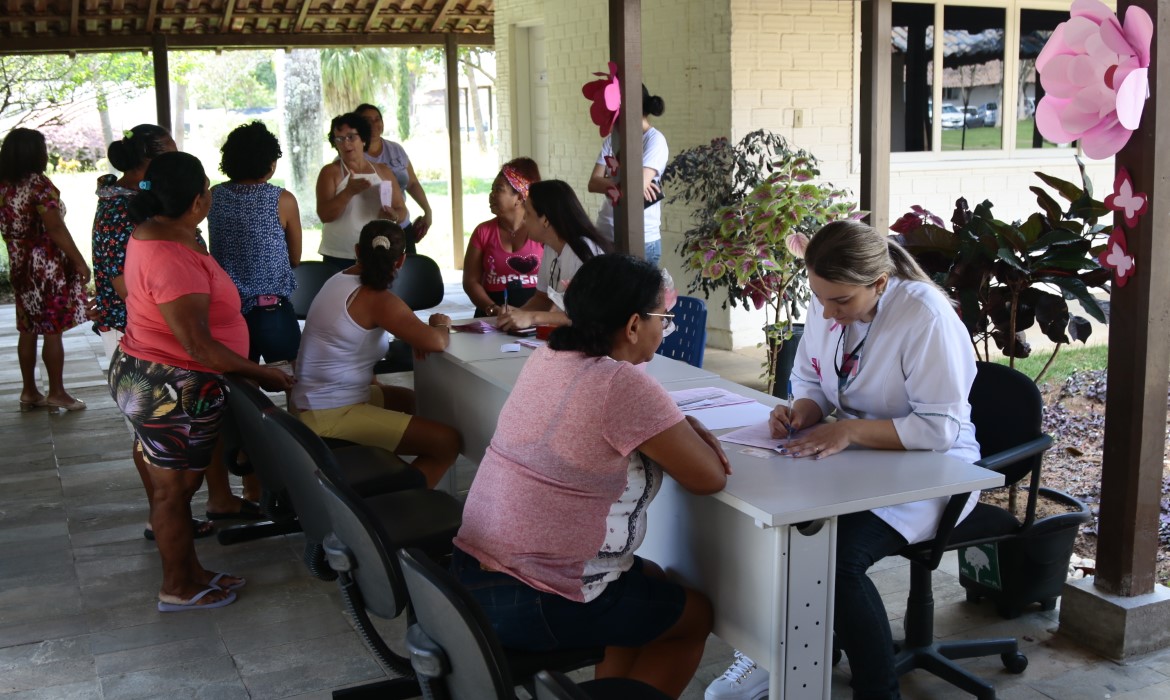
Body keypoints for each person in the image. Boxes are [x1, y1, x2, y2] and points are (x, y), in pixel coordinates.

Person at [705, 220, 980, 700]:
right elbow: (810, 378)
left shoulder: (925, 317)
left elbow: (940, 429)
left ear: (879, 282)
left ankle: (879, 691)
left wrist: (848, 429)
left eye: (841, 302)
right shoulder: (829, 298)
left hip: (933, 471)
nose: (829, 314)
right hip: (854, 459)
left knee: (836, 561)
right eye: (820, 298)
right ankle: (801, 648)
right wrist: (801, 412)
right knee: (785, 534)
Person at [452, 253, 730, 699]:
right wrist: (681, 425)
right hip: (536, 593)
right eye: (664, 318)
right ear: (635, 325)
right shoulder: (621, 383)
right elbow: (708, 477)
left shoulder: (550, 355)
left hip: (474, 571)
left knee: (651, 580)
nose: (666, 329)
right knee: (693, 616)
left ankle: (608, 690)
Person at [108, 151, 294, 612]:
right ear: (196, 200)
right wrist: (265, 372)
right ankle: (177, 586)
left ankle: (192, 572)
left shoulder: (161, 233)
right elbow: (199, 346)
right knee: (174, 492)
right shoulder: (171, 256)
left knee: (177, 488)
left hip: (157, 373)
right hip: (172, 385)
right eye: (207, 189)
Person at [91, 125, 219, 541]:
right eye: (170, 153)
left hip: (165, 340)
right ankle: (162, 516)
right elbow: (122, 280)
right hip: (143, 338)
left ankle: (175, 513)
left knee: (168, 442)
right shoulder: (119, 210)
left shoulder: (151, 203)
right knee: (152, 438)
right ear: (149, 159)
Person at [292, 220, 460, 489]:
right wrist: (441, 324)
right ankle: (401, 504)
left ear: (357, 251)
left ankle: (383, 478)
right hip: (329, 412)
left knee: (411, 401)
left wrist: (415, 332)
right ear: (402, 260)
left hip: (316, 401)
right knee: (447, 441)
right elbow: (436, 342)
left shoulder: (339, 280)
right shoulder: (378, 299)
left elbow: (374, 335)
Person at [0, 128, 91, 412]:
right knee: (53, 330)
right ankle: (57, 392)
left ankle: (29, 391)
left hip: (19, 263)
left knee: (27, 329)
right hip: (46, 265)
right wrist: (79, 260)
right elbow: (55, 227)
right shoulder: (39, 185)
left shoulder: (3, 185)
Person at [208, 121, 303, 364]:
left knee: (241, 381)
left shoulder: (213, 197)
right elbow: (295, 258)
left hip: (227, 308)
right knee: (291, 379)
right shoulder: (282, 200)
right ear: (270, 164)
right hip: (271, 310)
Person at [495, 180, 611, 332]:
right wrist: (517, 314)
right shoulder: (551, 247)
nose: (524, 220)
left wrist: (532, 317)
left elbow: (585, 315)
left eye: (528, 214)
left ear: (545, 220)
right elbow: (542, 298)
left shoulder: (583, 250)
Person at [587, 84, 668, 266]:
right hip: (606, 234)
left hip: (641, 238)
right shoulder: (613, 138)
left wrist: (616, 184)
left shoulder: (655, 140)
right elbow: (593, 183)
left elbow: (635, 188)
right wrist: (624, 185)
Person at [315, 113, 408, 270]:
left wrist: (394, 215)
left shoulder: (383, 171)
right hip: (339, 254)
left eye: (351, 137)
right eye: (339, 139)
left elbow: (401, 209)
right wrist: (348, 192)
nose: (345, 143)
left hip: (377, 251)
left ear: (363, 139)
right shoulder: (330, 172)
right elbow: (325, 215)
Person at [462, 157, 543, 318]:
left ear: (519, 197)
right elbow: (471, 282)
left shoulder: (541, 231)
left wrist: (530, 316)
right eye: (492, 189)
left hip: (534, 315)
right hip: (492, 316)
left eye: (498, 190)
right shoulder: (482, 232)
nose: (491, 195)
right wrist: (492, 309)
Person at [354, 103, 433, 255]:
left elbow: (412, 183)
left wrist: (427, 211)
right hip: (367, 231)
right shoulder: (351, 155)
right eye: (367, 120)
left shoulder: (396, 149)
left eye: (377, 119)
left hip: (401, 225)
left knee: (406, 273)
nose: (374, 124)